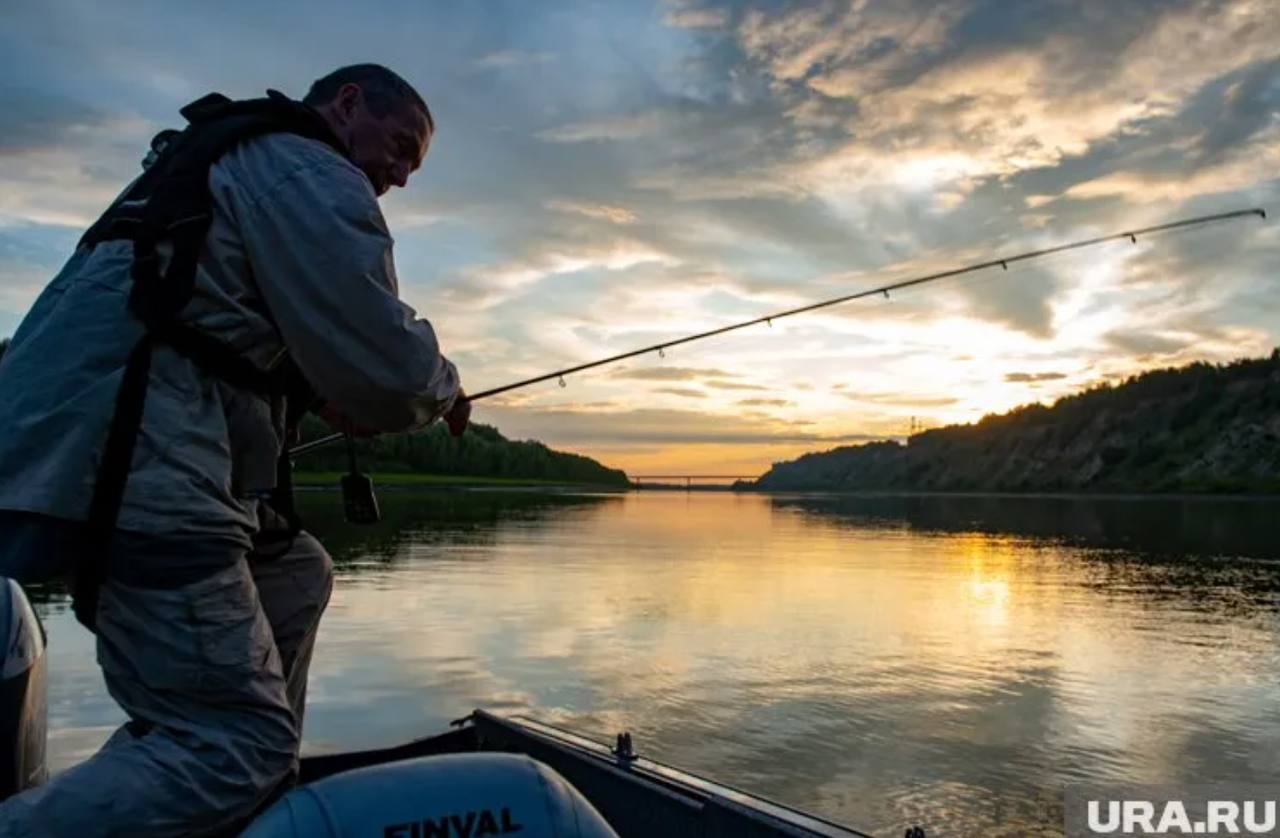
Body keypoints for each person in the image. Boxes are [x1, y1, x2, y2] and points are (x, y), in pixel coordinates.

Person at [0, 63, 470, 835]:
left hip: (94, 446)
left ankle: (231, 805)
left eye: (412, 165)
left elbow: (206, 312)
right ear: (347, 104)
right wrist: (442, 390)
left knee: (297, 573)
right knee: (234, 742)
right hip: (134, 462)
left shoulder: (234, 159)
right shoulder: (306, 168)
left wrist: (315, 394)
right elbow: (387, 362)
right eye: (399, 148)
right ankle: (228, 768)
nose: (400, 176)